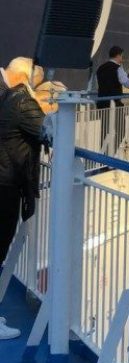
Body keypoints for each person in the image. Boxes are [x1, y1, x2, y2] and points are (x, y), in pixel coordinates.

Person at [0, 61, 47, 340]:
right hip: (6, 186)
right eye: (37, 83)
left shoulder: (5, 98)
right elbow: (48, 130)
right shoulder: (22, 101)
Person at [96, 45, 129, 154]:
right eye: (122, 56)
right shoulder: (118, 68)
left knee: (105, 131)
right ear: (118, 55)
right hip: (115, 105)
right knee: (120, 130)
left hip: (102, 104)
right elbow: (128, 84)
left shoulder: (100, 68)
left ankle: (104, 155)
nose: (122, 58)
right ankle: (111, 154)